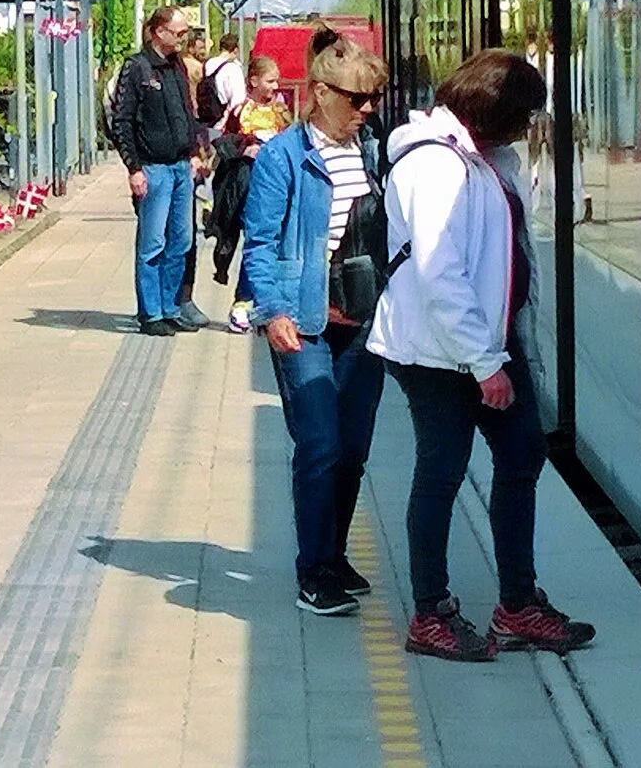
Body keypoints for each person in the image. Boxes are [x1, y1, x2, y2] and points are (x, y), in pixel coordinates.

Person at [368, 51, 596, 661]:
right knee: (441, 470)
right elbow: (441, 273)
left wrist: (503, 347)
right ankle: (430, 614)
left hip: (489, 342)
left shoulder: (485, 158)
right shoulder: (435, 165)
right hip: (439, 353)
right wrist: (484, 362)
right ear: (492, 109)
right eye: (522, 115)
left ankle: (517, 606)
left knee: (523, 455)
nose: (528, 128)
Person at [241, 36, 391, 616]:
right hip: (303, 322)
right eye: (357, 99)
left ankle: (333, 554)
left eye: (372, 98)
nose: (367, 109)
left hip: (363, 324)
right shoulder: (284, 157)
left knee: (352, 449)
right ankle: (312, 570)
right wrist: (272, 311)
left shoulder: (373, 152)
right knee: (321, 443)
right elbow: (261, 244)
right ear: (322, 93)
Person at [111, 6, 199, 336]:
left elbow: (185, 113)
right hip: (154, 168)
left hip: (180, 168)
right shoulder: (138, 67)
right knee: (153, 243)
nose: (183, 38)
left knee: (181, 241)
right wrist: (134, 168)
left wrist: (193, 151)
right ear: (158, 32)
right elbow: (122, 120)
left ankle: (169, 306)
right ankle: (150, 313)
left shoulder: (176, 66)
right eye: (178, 33)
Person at [211, 55, 292, 332]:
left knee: (272, 243)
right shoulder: (240, 111)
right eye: (270, 81)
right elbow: (223, 143)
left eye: (277, 81)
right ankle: (242, 302)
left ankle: (260, 300)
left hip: (276, 187)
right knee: (255, 242)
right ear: (254, 81)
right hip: (247, 186)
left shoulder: (282, 111)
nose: (275, 86)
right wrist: (244, 149)